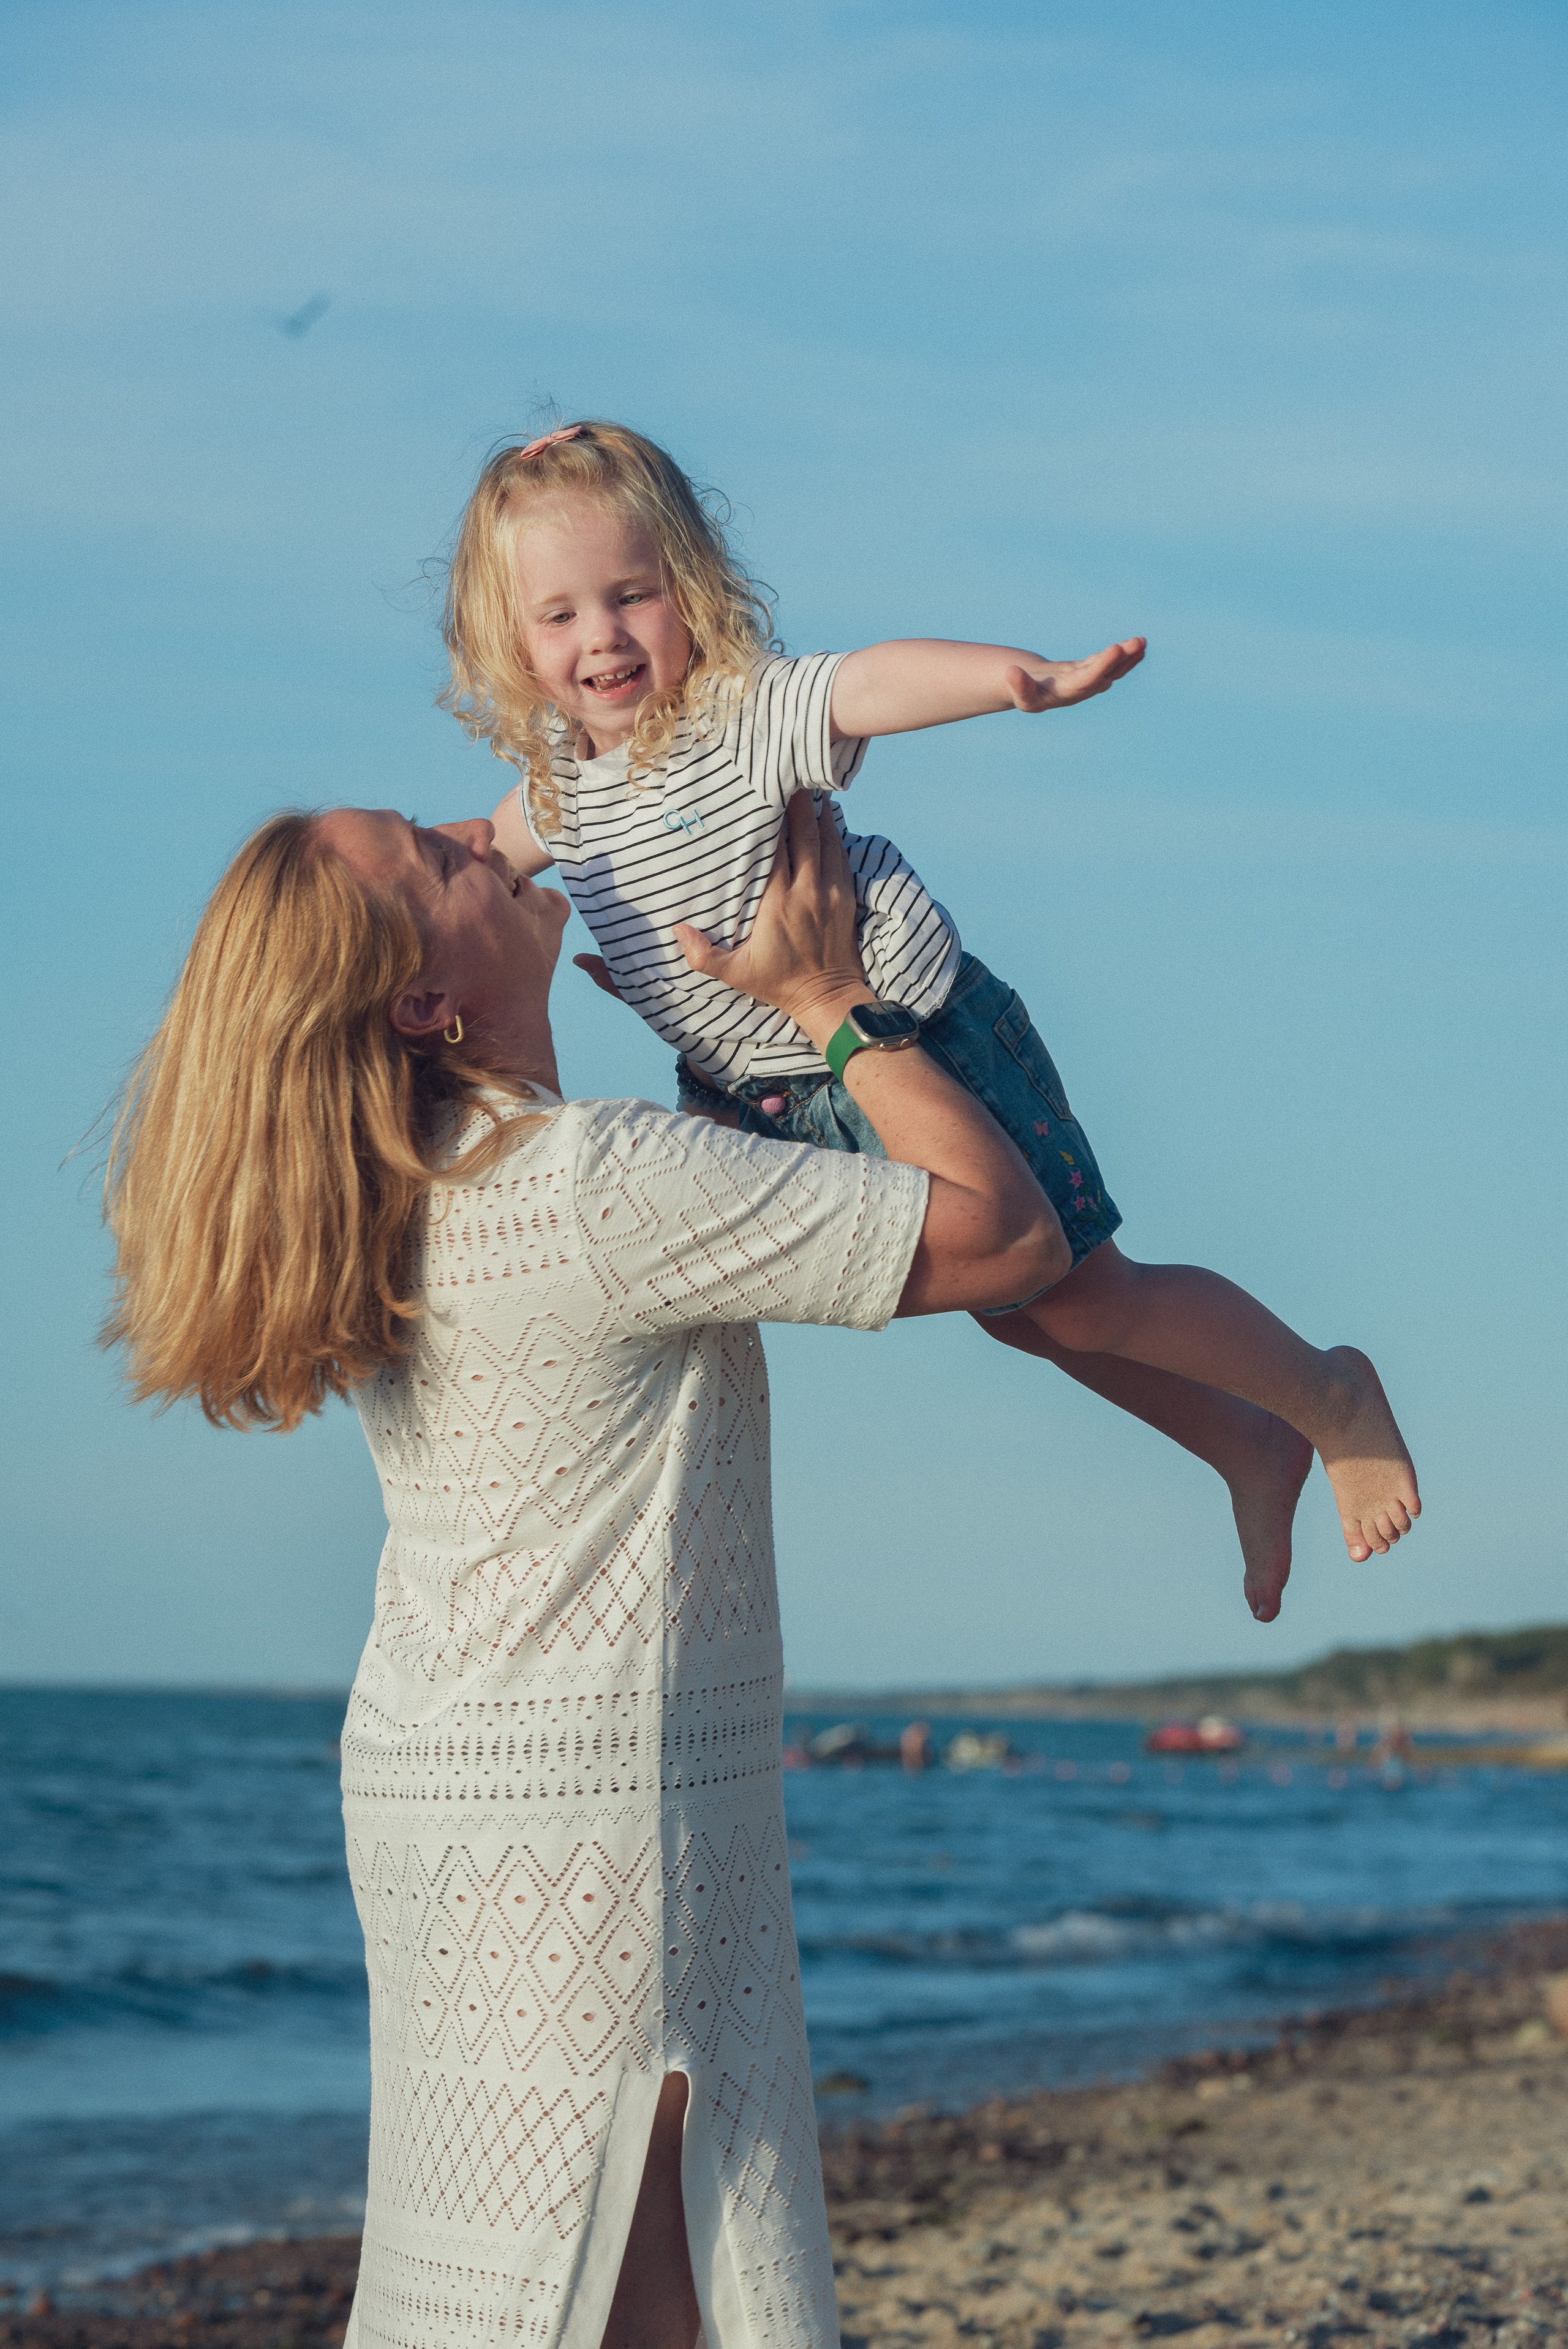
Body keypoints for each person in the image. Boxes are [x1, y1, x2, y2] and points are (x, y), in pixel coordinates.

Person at [102, 790, 1066, 2349]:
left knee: (499, 2256)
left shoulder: (403, 1193)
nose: (478, 835)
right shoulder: (588, 1181)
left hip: (445, 1782)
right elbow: (1013, 1239)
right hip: (597, 1798)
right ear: (423, 1004)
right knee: (632, 2265)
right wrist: (830, 1004)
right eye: (439, 853)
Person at [442, 418, 1421, 1611]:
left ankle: (1324, 1392)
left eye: (630, 595)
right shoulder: (558, 794)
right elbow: (460, 858)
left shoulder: (738, 714)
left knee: (1085, 1291)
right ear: (511, 641)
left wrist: (1015, 681)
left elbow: (866, 682)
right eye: (559, 615)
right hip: (774, 1092)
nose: (601, 635)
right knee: (1017, 1315)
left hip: (914, 1036)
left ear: (687, 591)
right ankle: (1237, 1438)